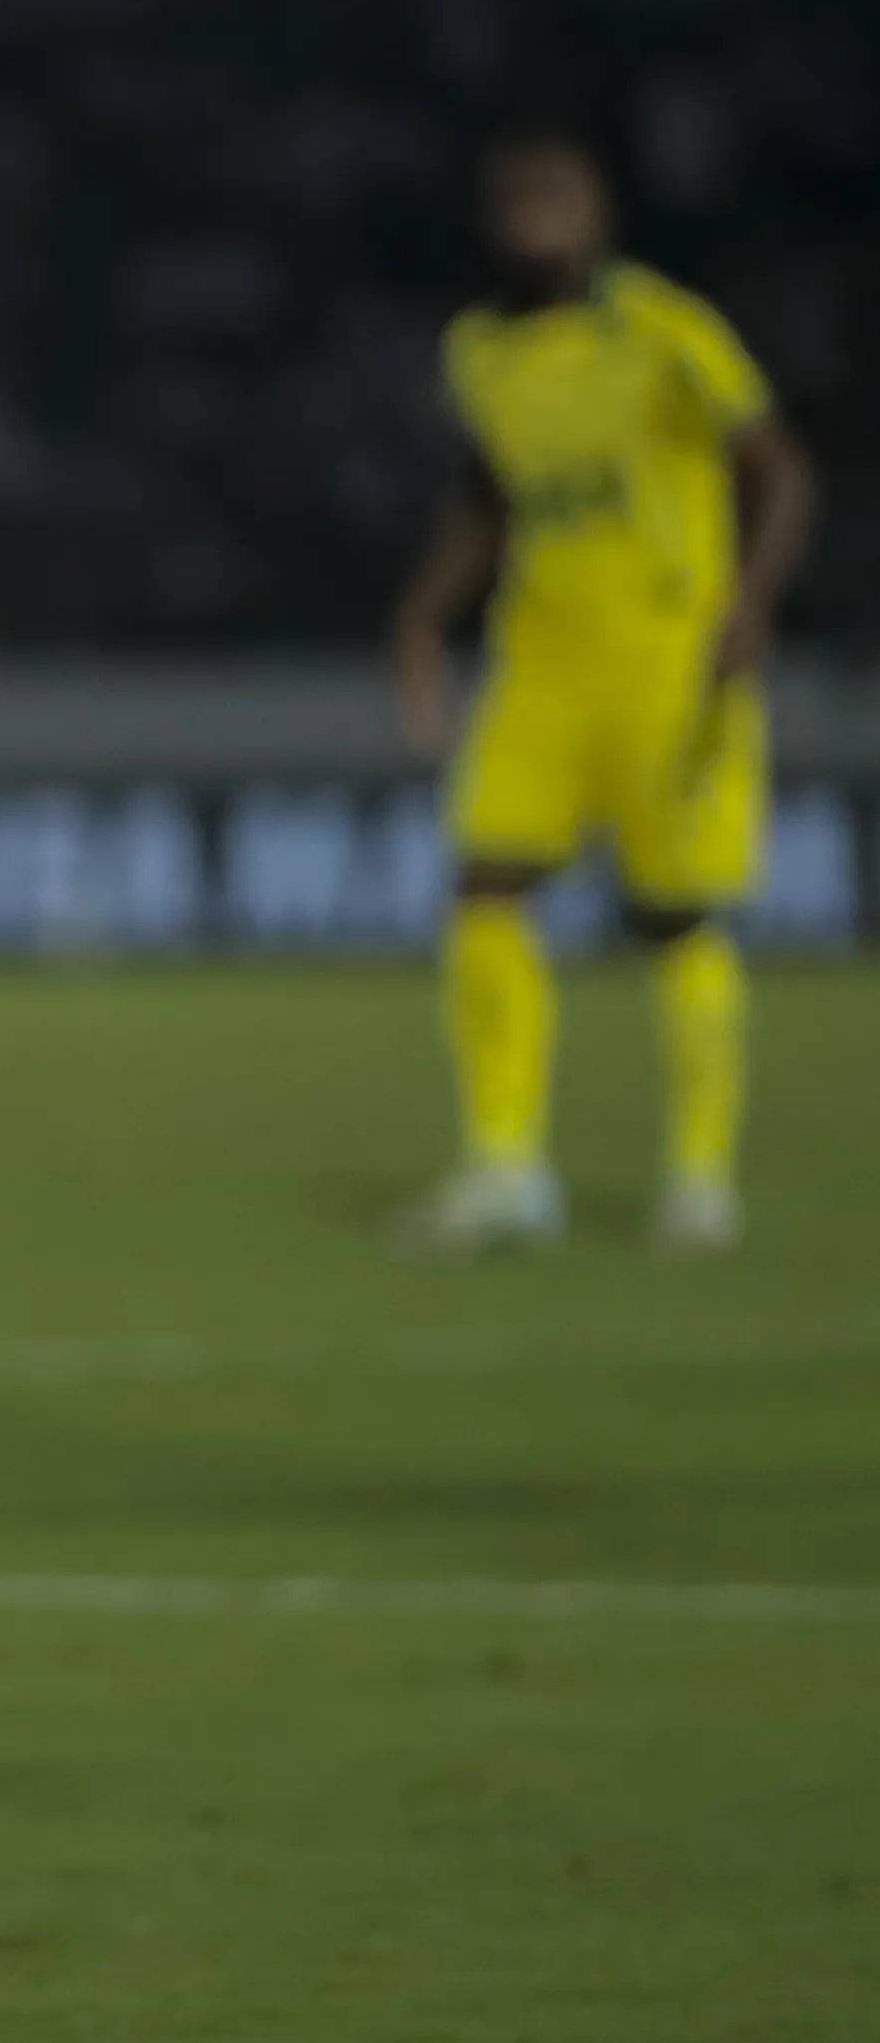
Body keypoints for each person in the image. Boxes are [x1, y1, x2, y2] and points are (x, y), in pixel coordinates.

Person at [389, 127, 814, 1254]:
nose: (535, 216)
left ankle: (698, 1175)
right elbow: (490, 498)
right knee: (483, 883)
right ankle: (504, 1165)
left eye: (556, 197)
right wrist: (424, 612)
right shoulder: (475, 348)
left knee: (669, 913)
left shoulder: (665, 330)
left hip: (666, 654)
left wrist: (750, 600)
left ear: (598, 215)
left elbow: (778, 470)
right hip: (539, 659)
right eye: (515, 199)